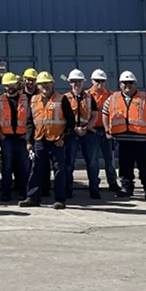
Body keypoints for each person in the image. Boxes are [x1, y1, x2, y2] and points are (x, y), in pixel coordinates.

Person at [101, 71, 146, 200]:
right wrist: (107, 130)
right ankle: (127, 189)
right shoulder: (113, 98)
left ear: (135, 84)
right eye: (124, 83)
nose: (127, 85)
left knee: (145, 168)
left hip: (143, 141)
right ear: (120, 84)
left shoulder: (145, 98)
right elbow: (105, 113)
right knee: (125, 168)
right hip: (122, 141)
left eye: (130, 82)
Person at [20, 72, 76, 209]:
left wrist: (63, 138)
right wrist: (29, 141)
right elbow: (29, 123)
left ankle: (60, 200)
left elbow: (71, 122)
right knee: (36, 170)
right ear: (38, 86)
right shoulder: (34, 100)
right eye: (42, 84)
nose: (45, 86)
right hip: (40, 140)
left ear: (53, 84)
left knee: (59, 171)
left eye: (47, 83)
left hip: (57, 141)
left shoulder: (61, 99)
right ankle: (32, 197)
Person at [0, 73, 30, 202]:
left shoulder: (25, 99)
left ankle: (25, 193)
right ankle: (6, 193)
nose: (10, 87)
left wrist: (28, 136)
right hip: (7, 139)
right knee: (7, 167)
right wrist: (1, 135)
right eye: (7, 85)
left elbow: (32, 118)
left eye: (12, 84)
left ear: (17, 84)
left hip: (22, 138)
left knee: (24, 166)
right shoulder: (0, 99)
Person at [63, 69, 100, 200]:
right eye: (73, 82)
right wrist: (74, 129)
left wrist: (86, 127)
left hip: (88, 133)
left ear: (83, 82)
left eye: (78, 81)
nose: (76, 84)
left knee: (93, 163)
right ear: (70, 83)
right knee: (68, 163)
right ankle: (68, 190)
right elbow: (63, 118)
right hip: (71, 134)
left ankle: (94, 189)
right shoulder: (65, 98)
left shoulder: (90, 98)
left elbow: (95, 115)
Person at [87, 69, 120, 194]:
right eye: (97, 81)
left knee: (109, 159)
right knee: (93, 160)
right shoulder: (87, 95)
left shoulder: (111, 95)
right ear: (92, 81)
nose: (100, 83)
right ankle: (94, 183)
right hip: (93, 130)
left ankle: (112, 182)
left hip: (107, 131)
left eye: (102, 81)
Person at [21, 67, 50, 198]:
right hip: (23, 134)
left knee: (42, 164)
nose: (30, 82)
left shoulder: (41, 96)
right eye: (27, 79)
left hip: (41, 134)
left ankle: (45, 189)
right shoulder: (19, 95)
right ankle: (25, 189)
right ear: (23, 80)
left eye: (33, 80)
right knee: (25, 165)